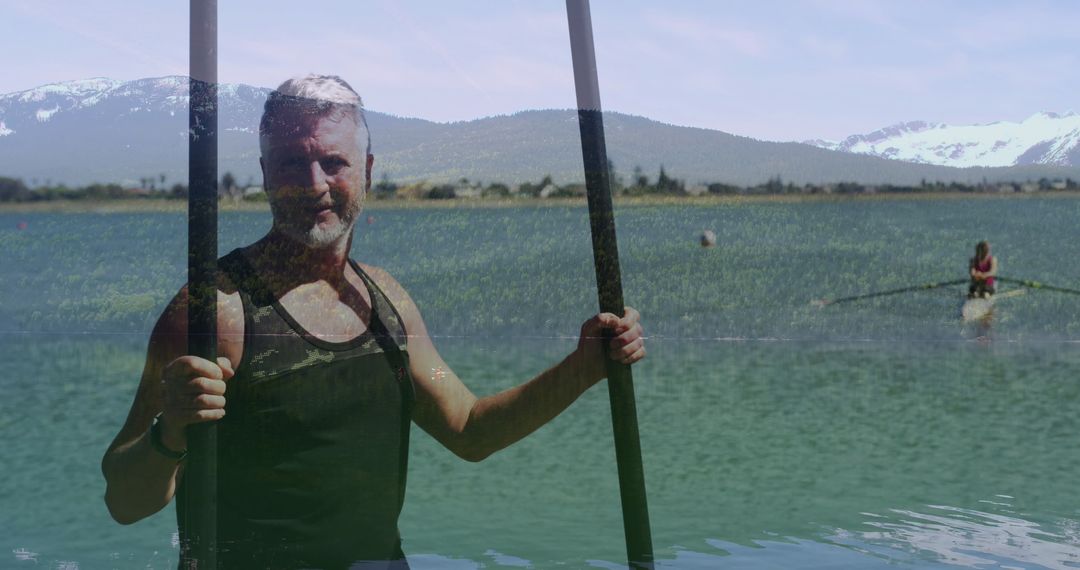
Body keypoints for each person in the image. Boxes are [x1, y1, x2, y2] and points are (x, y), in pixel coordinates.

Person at [100, 75, 646, 569]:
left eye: (332, 163)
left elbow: (470, 430)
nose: (313, 183)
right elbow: (124, 501)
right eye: (291, 162)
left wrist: (583, 368)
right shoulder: (214, 310)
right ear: (265, 175)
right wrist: (170, 431)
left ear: (366, 171)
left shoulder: (386, 300)